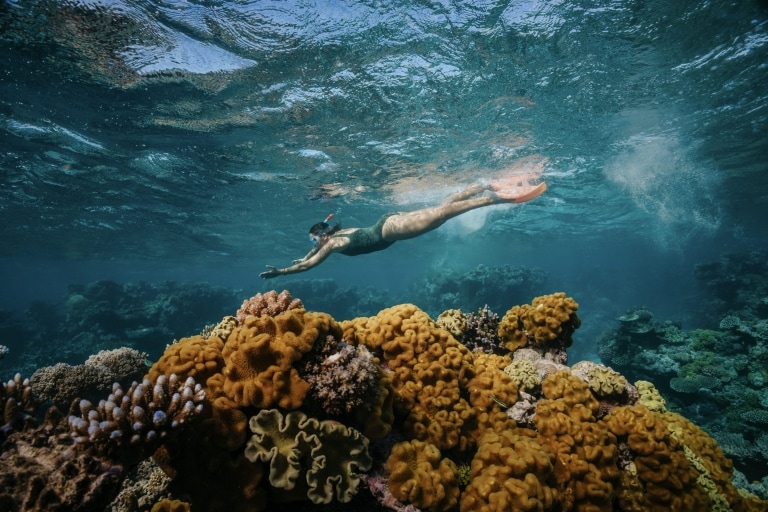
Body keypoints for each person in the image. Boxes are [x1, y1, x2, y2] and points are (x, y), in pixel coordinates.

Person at [259, 176, 547, 279]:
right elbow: (312, 257)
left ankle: (498, 198)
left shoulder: (332, 245)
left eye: (314, 241)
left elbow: (312, 264)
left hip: (392, 229)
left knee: (443, 213)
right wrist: (304, 256)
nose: (314, 247)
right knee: (442, 209)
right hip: (390, 221)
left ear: (322, 236)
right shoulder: (335, 237)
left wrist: (283, 271)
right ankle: (485, 183)